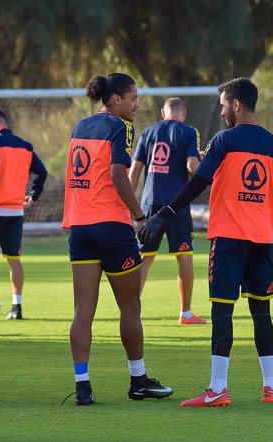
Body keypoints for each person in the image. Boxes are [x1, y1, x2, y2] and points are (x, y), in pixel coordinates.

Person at [141, 77, 273, 407]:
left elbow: (198, 183)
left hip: (228, 240)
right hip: (262, 242)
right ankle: (270, 387)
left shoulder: (224, 140)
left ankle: (218, 389)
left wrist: (164, 213)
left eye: (222, 106)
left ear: (235, 105)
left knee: (222, 312)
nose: (220, 112)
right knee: (261, 312)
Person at [64, 73, 173, 406]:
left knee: (83, 310)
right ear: (114, 100)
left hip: (79, 229)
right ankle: (138, 380)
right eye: (133, 98)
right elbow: (116, 174)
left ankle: (82, 385)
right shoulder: (121, 127)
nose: (137, 105)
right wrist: (140, 216)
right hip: (111, 227)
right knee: (130, 306)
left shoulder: (80, 127)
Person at [128, 97, 206, 325]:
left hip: (149, 203)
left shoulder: (149, 131)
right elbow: (193, 167)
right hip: (176, 206)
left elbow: (133, 173)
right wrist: (203, 166)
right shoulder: (189, 132)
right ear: (184, 113)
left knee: (144, 257)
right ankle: (186, 313)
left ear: (164, 113)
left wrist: (129, 206)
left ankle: (131, 309)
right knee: (184, 255)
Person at [0, 109, 48, 321]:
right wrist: (33, 194)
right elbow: (42, 172)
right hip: (15, 211)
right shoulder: (25, 145)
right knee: (14, 259)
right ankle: (16, 306)